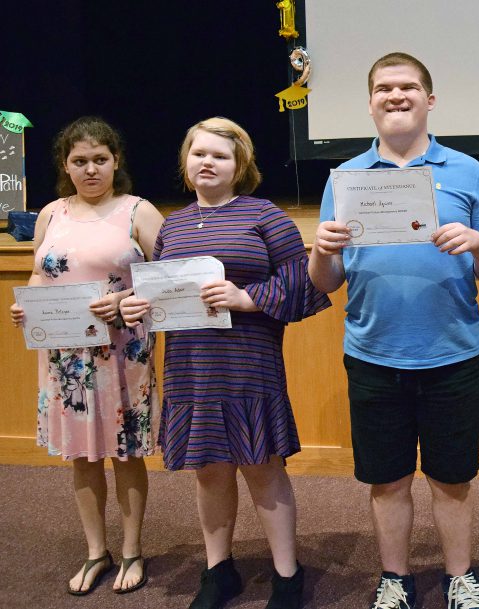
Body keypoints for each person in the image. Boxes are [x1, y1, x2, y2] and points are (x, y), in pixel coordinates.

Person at [308, 52, 479, 609]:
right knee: (388, 479)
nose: (397, 96)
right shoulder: (344, 179)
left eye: (409, 87)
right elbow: (325, 282)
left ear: (430, 100)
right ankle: (395, 579)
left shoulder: (467, 171)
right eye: (385, 89)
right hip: (372, 354)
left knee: (452, 479)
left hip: (452, 353)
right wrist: (321, 251)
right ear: (370, 102)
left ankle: (460, 579)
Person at [120, 117, 329, 609]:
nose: (207, 162)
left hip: (248, 362)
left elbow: (305, 284)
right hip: (191, 366)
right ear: (186, 163)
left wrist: (246, 296)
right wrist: (137, 304)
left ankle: (286, 575)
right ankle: (219, 571)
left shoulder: (265, 216)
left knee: (262, 466)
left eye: (219, 155)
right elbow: (162, 295)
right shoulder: (171, 226)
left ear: (240, 166)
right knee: (208, 468)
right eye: (199, 154)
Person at [10, 116, 163, 596]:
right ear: (65, 165)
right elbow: (40, 273)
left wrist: (126, 301)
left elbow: (169, 283)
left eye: (100, 159)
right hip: (65, 362)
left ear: (115, 162)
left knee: (125, 454)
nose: (91, 169)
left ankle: (133, 550)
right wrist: (26, 306)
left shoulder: (139, 211)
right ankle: (97, 551)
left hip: (123, 354)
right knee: (81, 457)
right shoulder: (51, 213)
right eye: (81, 161)